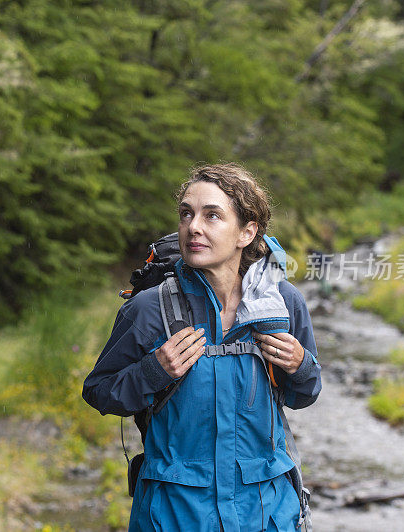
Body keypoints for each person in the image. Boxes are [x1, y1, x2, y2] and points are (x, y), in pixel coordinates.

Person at [82, 163, 322, 531]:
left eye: (212, 216)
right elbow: (99, 392)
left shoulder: (282, 303)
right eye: (186, 214)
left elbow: (304, 395)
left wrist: (301, 364)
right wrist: (152, 371)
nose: (193, 226)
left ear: (247, 232)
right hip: (176, 516)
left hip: (267, 514)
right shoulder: (149, 310)